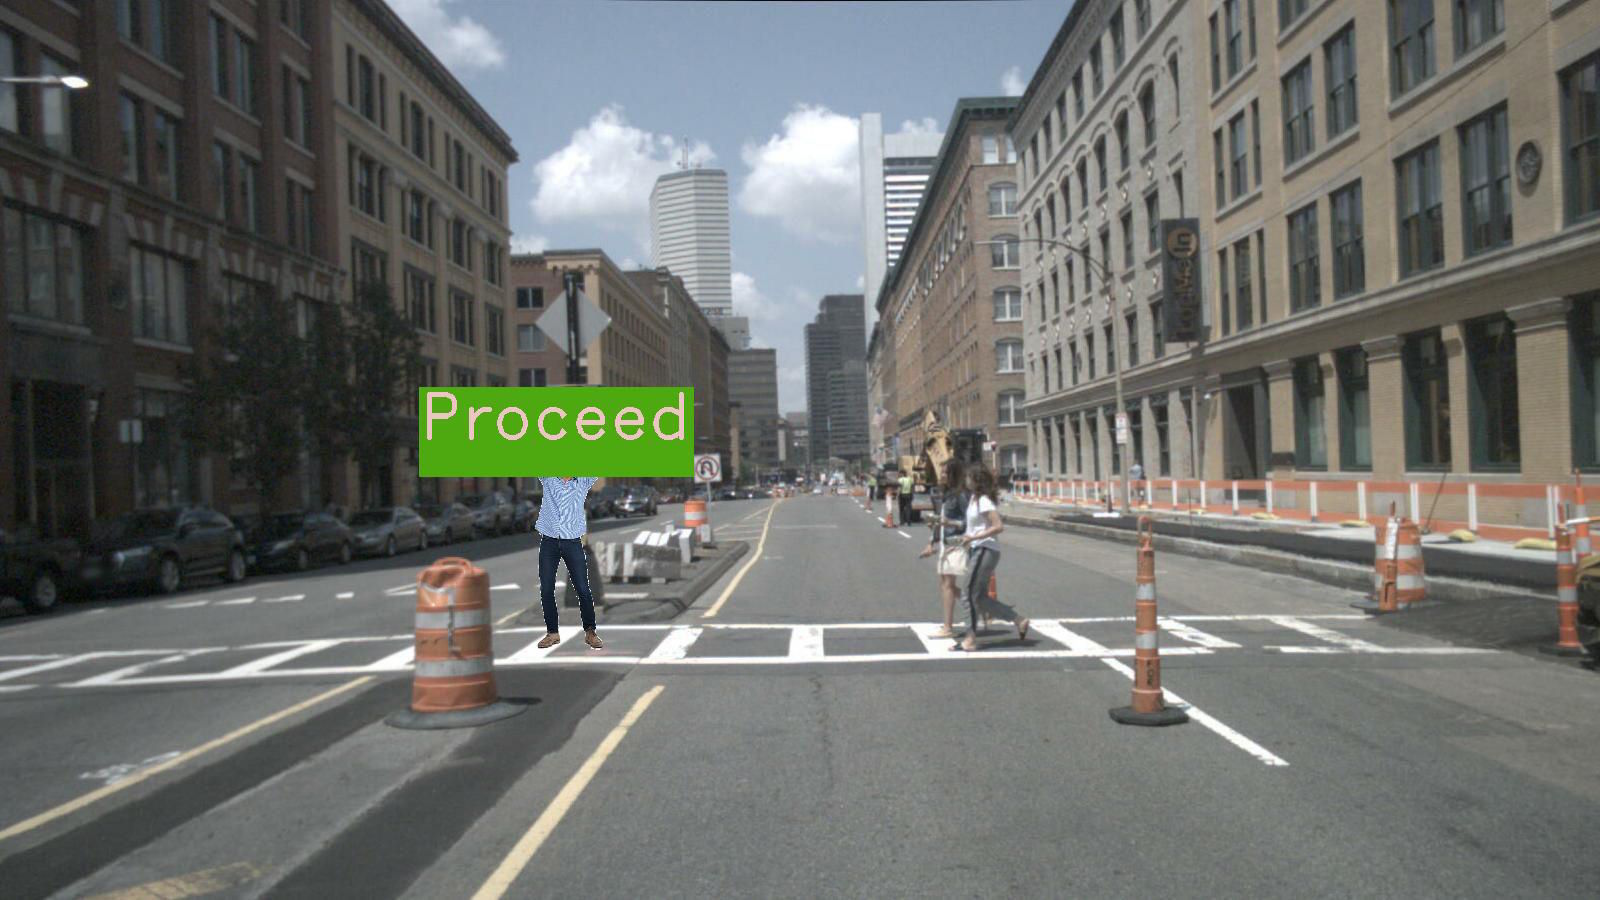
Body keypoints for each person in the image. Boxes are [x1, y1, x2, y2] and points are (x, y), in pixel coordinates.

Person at [953, 462, 1030, 652]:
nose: (966, 480)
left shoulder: (983, 500)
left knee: (968, 594)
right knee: (979, 598)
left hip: (985, 549)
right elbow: (974, 526)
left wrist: (974, 538)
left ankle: (970, 638)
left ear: (976, 479)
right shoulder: (974, 499)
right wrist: (963, 535)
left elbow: (998, 526)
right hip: (978, 549)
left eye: (968, 476)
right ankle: (1019, 620)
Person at [533, 476, 604, 650]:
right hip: (549, 541)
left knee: (583, 588)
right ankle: (552, 633)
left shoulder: (583, 481)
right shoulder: (549, 478)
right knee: (546, 588)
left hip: (572, 542)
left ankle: (590, 632)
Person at [917, 458, 969, 640]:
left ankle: (948, 627)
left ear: (954, 474)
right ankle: (978, 605)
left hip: (956, 544)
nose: (942, 475)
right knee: (946, 586)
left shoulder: (961, 495)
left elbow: (967, 522)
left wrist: (950, 522)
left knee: (947, 586)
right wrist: (931, 542)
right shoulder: (946, 494)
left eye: (946, 472)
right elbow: (941, 520)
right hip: (946, 543)